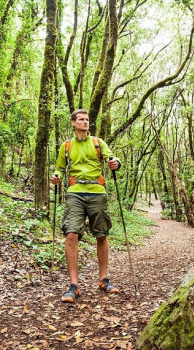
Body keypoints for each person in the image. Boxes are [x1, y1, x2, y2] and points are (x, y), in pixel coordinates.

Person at [51, 109, 121, 303]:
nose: (85, 122)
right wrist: (57, 176)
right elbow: (60, 167)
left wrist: (115, 163)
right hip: (75, 193)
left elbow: (111, 158)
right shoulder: (66, 146)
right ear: (73, 123)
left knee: (101, 234)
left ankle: (104, 279)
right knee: (71, 234)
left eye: (87, 120)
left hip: (97, 192)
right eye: (81, 120)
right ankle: (73, 285)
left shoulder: (97, 143)